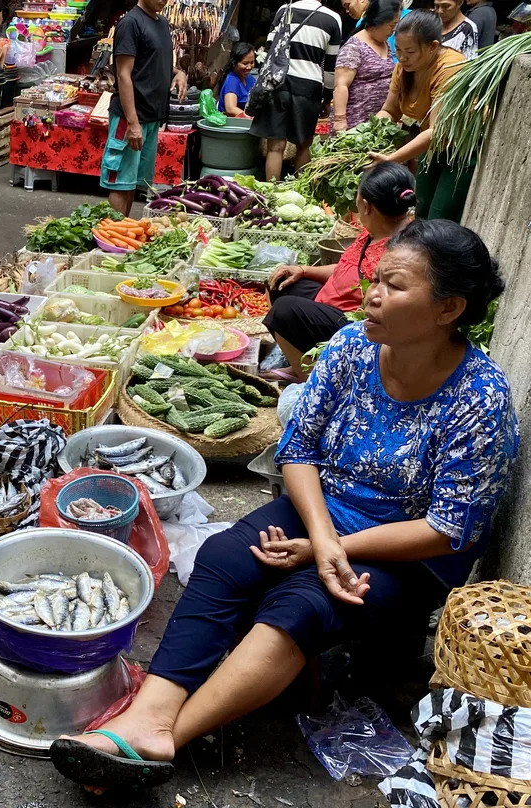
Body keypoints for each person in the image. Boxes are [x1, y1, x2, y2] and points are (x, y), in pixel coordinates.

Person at [50, 218, 519, 792]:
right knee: (226, 556)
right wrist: (322, 540)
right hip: (326, 514)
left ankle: (165, 739)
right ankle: (148, 713)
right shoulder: (350, 348)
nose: (372, 295)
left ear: (449, 309)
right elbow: (298, 451)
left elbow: (450, 530)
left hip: (408, 553)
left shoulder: (479, 400)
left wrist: (329, 552)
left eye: (395, 286)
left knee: (302, 603)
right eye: (376, 279)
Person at [263, 162, 415, 384]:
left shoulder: (400, 249)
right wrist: (303, 270)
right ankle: (301, 364)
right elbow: (348, 268)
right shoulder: (376, 230)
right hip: (334, 305)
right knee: (281, 283)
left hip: (360, 326)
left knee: (283, 311)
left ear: (366, 206)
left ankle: (316, 383)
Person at [370, 11, 471, 222]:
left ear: (433, 46)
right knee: (421, 210)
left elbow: (437, 131)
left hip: (462, 149)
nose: (402, 57)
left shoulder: (450, 67)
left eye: (410, 51)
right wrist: (367, 136)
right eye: (398, 50)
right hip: (431, 146)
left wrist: (390, 160)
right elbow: (389, 111)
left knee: (440, 216)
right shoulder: (404, 68)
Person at [100, 0, 188, 217]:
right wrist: (132, 123)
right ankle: (112, 243)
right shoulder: (130, 23)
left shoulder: (162, 23)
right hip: (131, 117)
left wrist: (178, 72)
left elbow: (155, 61)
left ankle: (122, 237)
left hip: (151, 117)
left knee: (132, 183)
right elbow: (123, 74)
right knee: (121, 183)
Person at [250, 0, 342, 181]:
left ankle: (270, 195)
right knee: (304, 145)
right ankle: (301, 192)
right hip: (309, 88)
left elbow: (269, 50)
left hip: (278, 84)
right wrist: (327, 97)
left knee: (275, 146)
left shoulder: (285, 10)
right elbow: (331, 66)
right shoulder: (333, 18)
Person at [333, 0, 401, 132]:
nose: (393, 31)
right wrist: (340, 120)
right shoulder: (354, 47)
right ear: (379, 21)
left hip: (378, 122)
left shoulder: (385, 43)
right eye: (391, 25)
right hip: (354, 122)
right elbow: (341, 84)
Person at [216, 41, 256, 116]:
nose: (249, 67)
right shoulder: (232, 81)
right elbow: (230, 109)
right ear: (234, 63)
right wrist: (250, 119)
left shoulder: (249, 78)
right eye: (245, 63)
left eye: (252, 62)